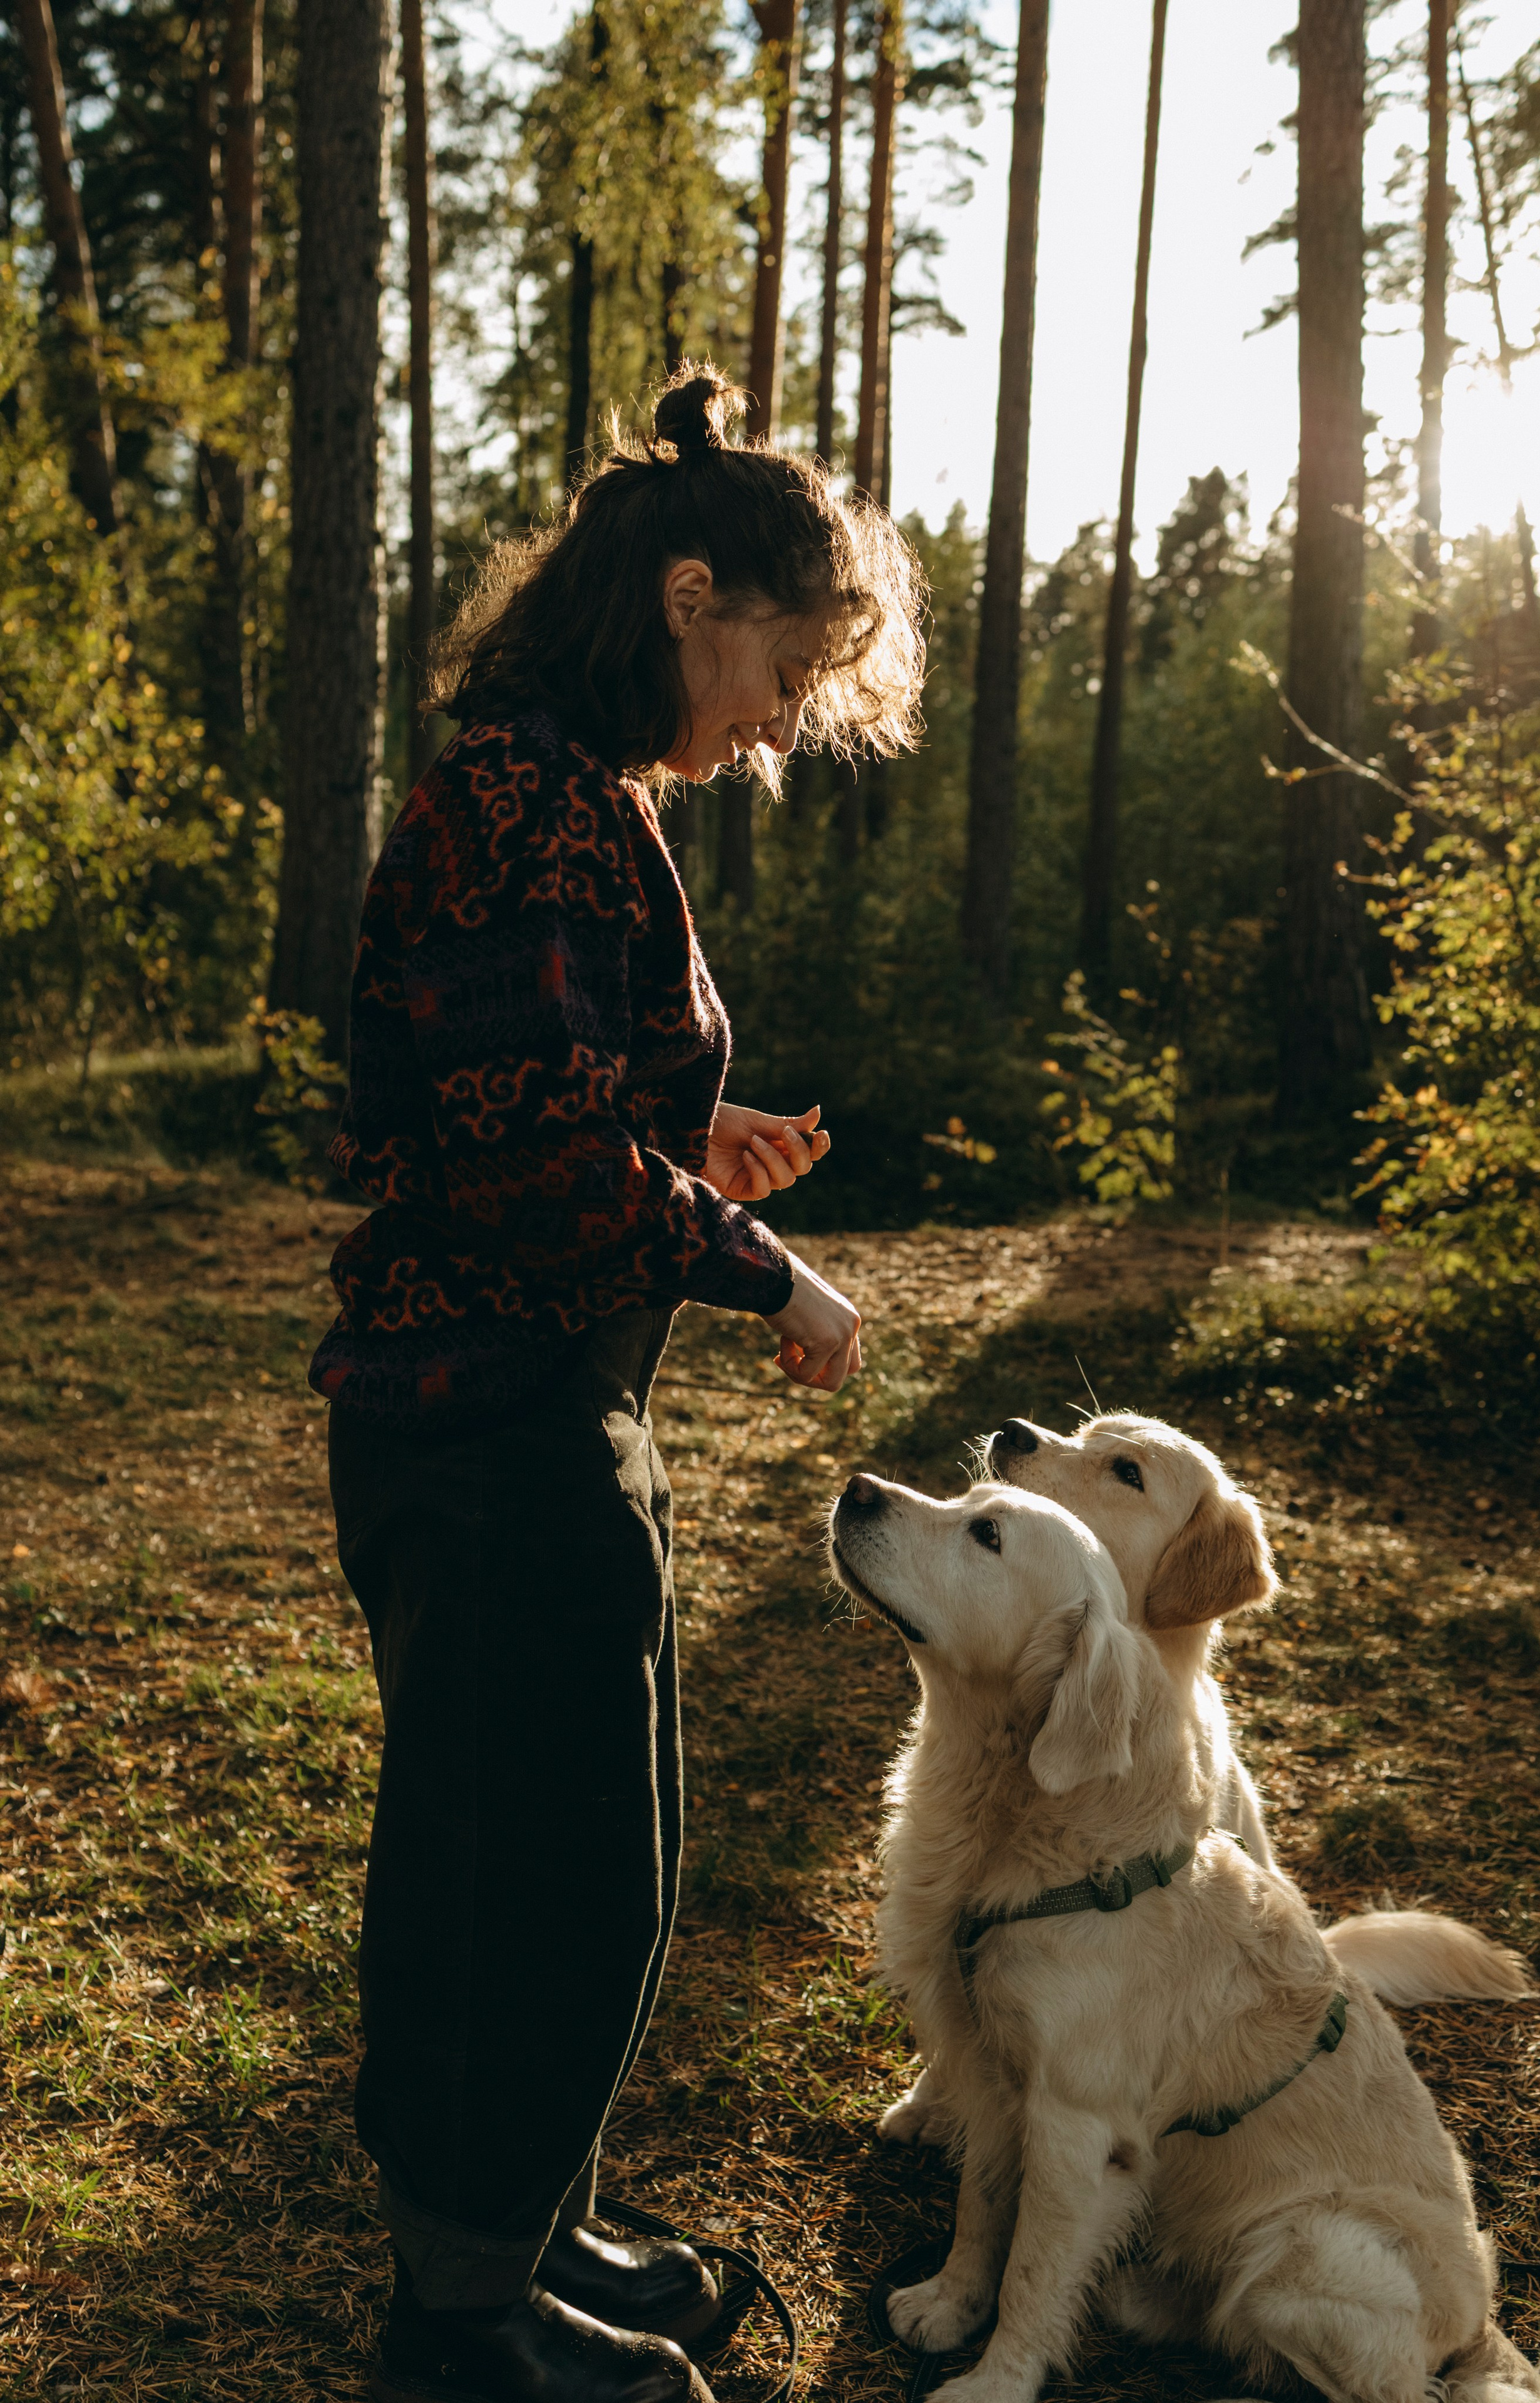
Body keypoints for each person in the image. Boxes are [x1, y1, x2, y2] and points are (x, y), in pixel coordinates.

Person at [310, 365, 926, 2403]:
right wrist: (764, 1269)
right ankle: (460, 2319)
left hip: (553, 1405)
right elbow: (522, 1158)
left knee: (605, 1845)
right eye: (781, 663)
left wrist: (697, 1137)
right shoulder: (516, 797)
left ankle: (534, 2211)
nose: (778, 719)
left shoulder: (583, 801)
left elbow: (561, 1107)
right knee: (510, 1868)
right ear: (685, 594)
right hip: (479, 1421)